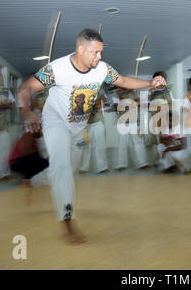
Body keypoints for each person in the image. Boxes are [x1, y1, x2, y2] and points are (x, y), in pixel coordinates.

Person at [17, 28, 166, 244]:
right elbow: (25, 89)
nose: (100, 57)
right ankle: (68, 221)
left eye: (101, 52)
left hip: (78, 128)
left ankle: (34, 181)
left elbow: (123, 81)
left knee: (68, 168)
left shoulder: (102, 69)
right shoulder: (57, 69)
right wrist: (27, 111)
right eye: (95, 52)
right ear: (80, 49)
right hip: (55, 122)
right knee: (63, 169)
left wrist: (150, 83)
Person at [114, 88, 149, 170]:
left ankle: (143, 163)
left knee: (138, 143)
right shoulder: (116, 94)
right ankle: (121, 165)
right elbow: (117, 106)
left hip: (134, 122)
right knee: (122, 144)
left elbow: (138, 103)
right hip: (123, 123)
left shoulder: (133, 92)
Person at [80, 95, 110, 174]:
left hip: (98, 123)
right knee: (86, 146)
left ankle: (102, 167)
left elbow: (98, 106)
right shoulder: (81, 98)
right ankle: (83, 168)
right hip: (87, 125)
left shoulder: (98, 96)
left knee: (100, 145)